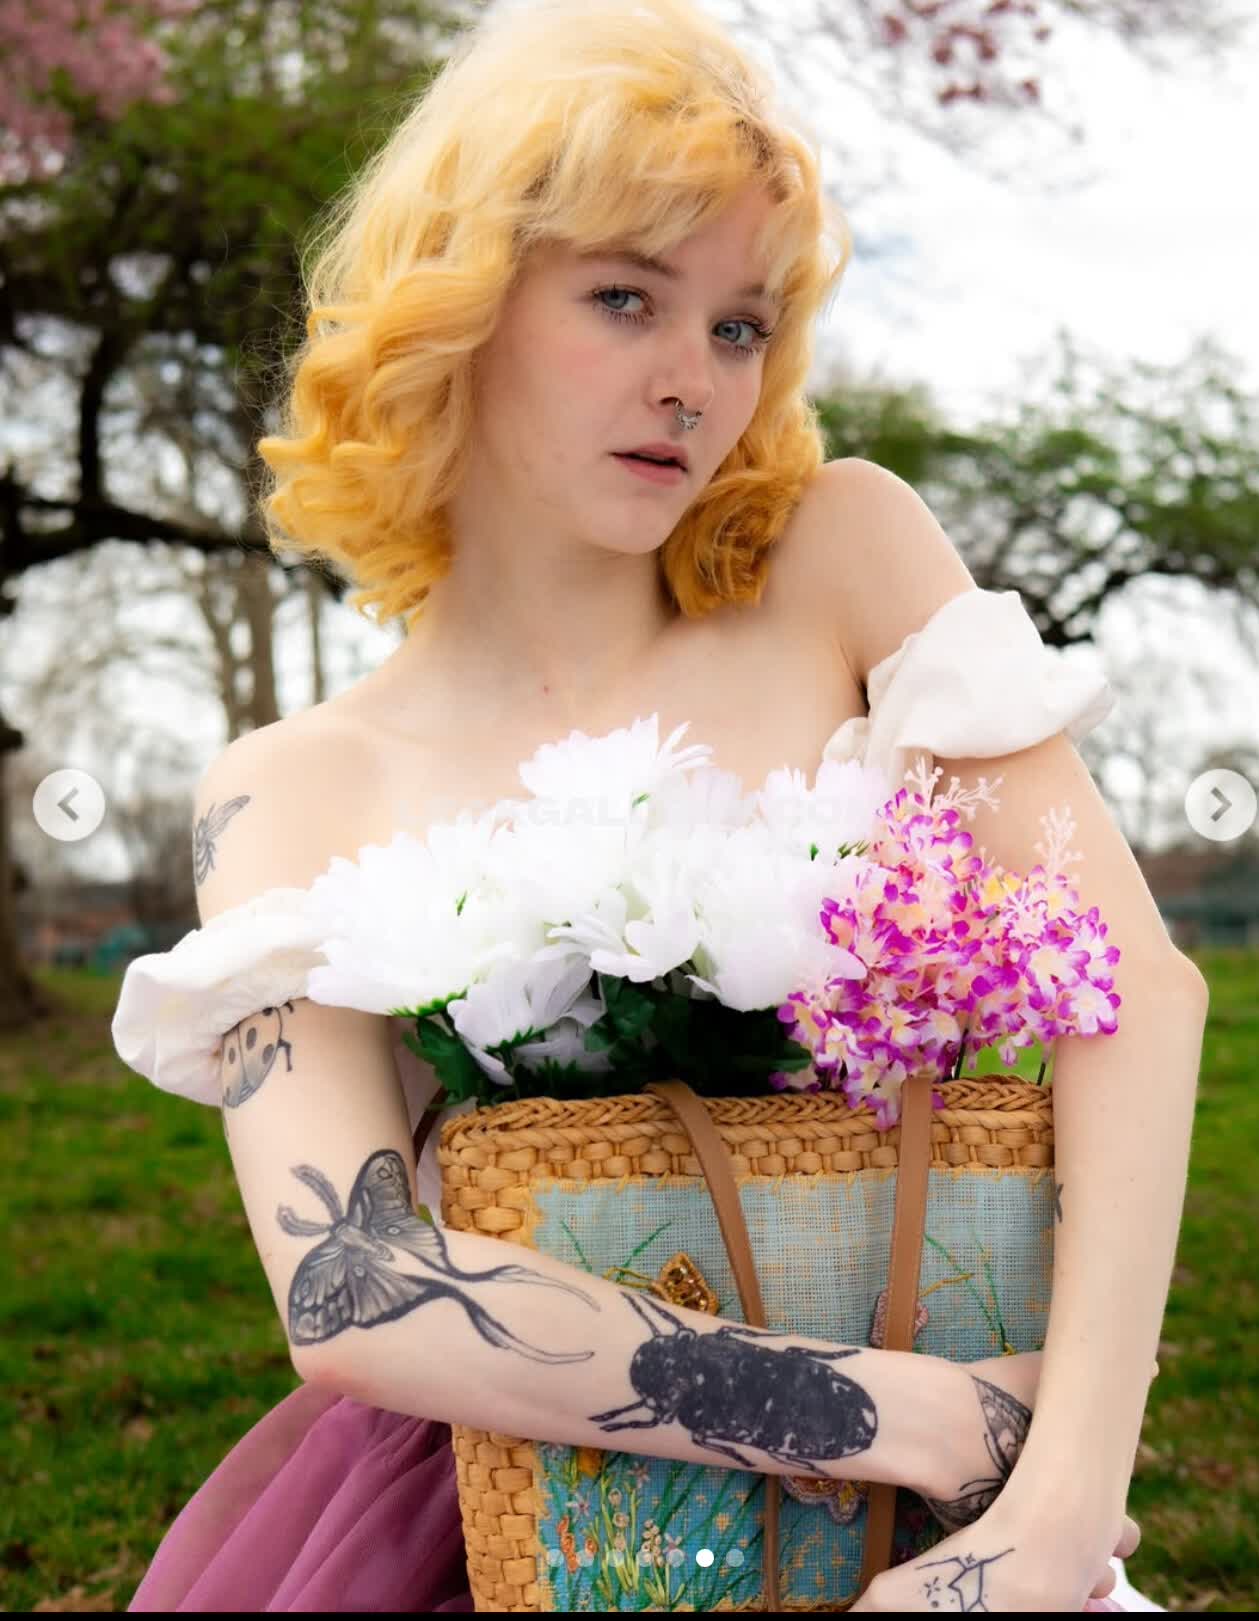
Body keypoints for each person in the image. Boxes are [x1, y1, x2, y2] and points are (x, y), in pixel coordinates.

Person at [110, 0, 1187, 1609]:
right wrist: (906, 1417)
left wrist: (1049, 1509)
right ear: (457, 306)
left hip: (970, 1515)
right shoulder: (287, 786)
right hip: (519, 1516)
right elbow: (351, 1282)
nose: (691, 383)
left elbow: (1131, 992)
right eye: (625, 298)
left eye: (739, 327)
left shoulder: (841, 558)